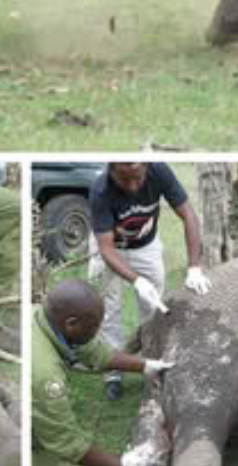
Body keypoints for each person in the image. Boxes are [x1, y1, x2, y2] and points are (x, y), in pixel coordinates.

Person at [32, 279, 174, 466]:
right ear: (71, 324)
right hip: (33, 407)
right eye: (94, 326)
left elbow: (93, 352)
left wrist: (146, 365)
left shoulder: (43, 317)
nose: (98, 331)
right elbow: (66, 441)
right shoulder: (46, 375)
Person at [89, 162, 210, 400]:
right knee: (108, 310)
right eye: (125, 180)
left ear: (146, 167)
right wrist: (137, 281)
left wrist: (194, 267)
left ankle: (152, 367)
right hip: (110, 249)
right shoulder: (100, 190)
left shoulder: (159, 170)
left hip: (146, 246)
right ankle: (113, 371)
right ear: (111, 172)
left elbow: (188, 215)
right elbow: (106, 249)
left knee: (154, 309)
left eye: (138, 178)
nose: (133, 187)